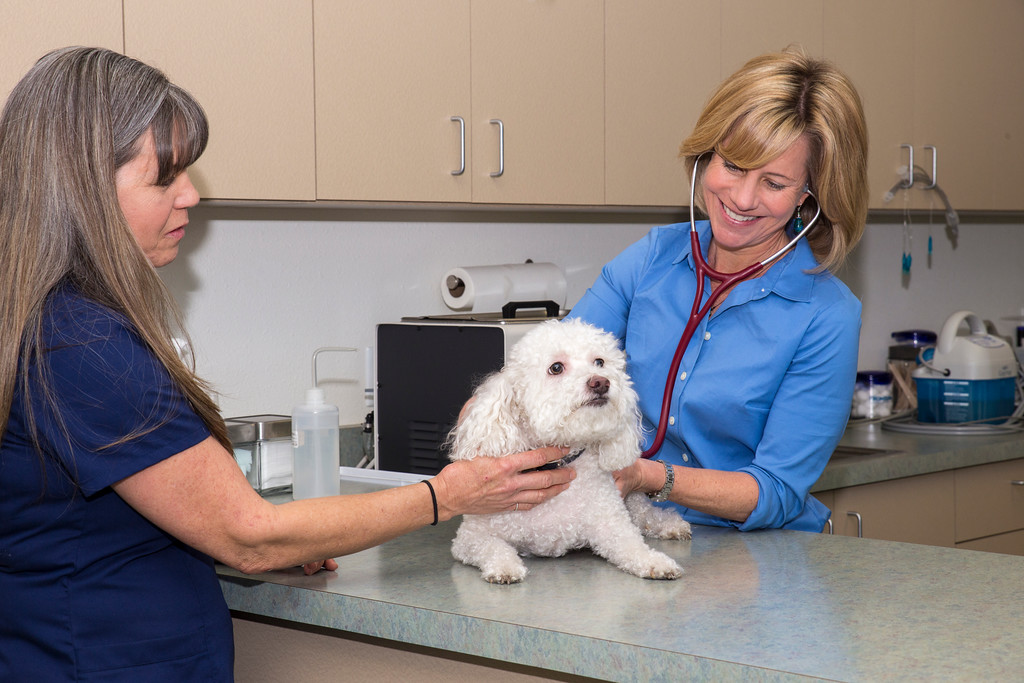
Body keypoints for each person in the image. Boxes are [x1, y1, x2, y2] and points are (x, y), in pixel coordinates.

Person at [0, 47, 574, 681]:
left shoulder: (48, 321)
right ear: (81, 190)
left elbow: (138, 516)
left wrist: (267, 539)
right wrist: (451, 492)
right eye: (164, 177)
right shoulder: (84, 346)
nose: (191, 193)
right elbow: (250, 535)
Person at [568, 47, 868, 532]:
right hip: (629, 532)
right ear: (705, 156)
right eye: (731, 165)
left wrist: (647, 476)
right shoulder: (651, 259)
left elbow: (775, 489)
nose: (742, 199)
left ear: (809, 199)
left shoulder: (826, 316)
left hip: (756, 564)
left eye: (773, 182)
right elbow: (556, 364)